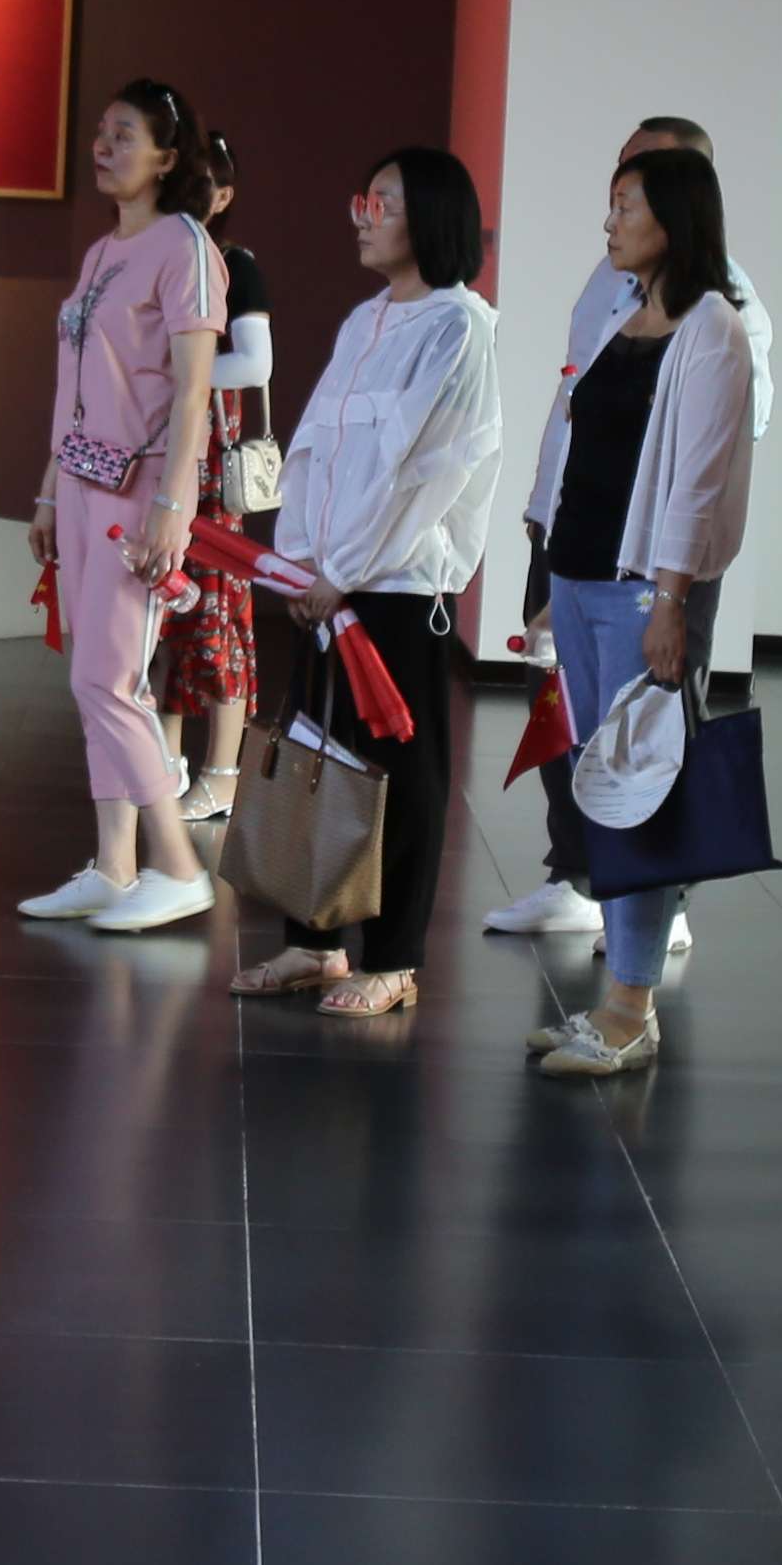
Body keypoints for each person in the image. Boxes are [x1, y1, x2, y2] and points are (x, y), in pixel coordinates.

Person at [489, 113, 773, 945]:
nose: (610, 218)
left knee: (645, 750)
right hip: (577, 549)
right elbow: (577, 406)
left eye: (631, 197)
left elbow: (705, 465)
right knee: (576, 736)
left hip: (648, 569)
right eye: (615, 189)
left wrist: (672, 594)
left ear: (682, 202)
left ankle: (652, 925)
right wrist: (546, 522)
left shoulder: (723, 317)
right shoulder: (614, 292)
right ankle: (580, 880)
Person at [237, 150, 507, 1019]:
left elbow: (428, 474)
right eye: (365, 199)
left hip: (394, 586)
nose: (362, 216)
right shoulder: (365, 320)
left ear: (429, 216)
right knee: (317, 755)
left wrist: (344, 570)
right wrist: (300, 557)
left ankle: (394, 960)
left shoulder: (459, 328)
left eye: (382, 202)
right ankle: (314, 940)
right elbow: (316, 447)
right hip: (327, 580)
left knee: (402, 772)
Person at [24, 80, 229, 933]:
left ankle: (177, 866)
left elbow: (192, 393)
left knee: (108, 679)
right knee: (93, 677)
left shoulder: (186, 248)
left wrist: (174, 505)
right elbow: (75, 385)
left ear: (167, 158)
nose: (103, 148)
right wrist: (48, 487)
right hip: (80, 484)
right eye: (101, 133)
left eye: (123, 135)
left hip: (139, 492)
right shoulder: (105, 251)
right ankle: (114, 866)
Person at [152, 133, 272, 821]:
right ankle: (164, 763)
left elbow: (255, 364)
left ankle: (223, 772)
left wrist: (176, 379)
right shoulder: (153, 257)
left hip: (211, 467)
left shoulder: (234, 264)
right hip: (159, 456)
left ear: (224, 196)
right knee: (162, 616)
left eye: (200, 185)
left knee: (217, 612)